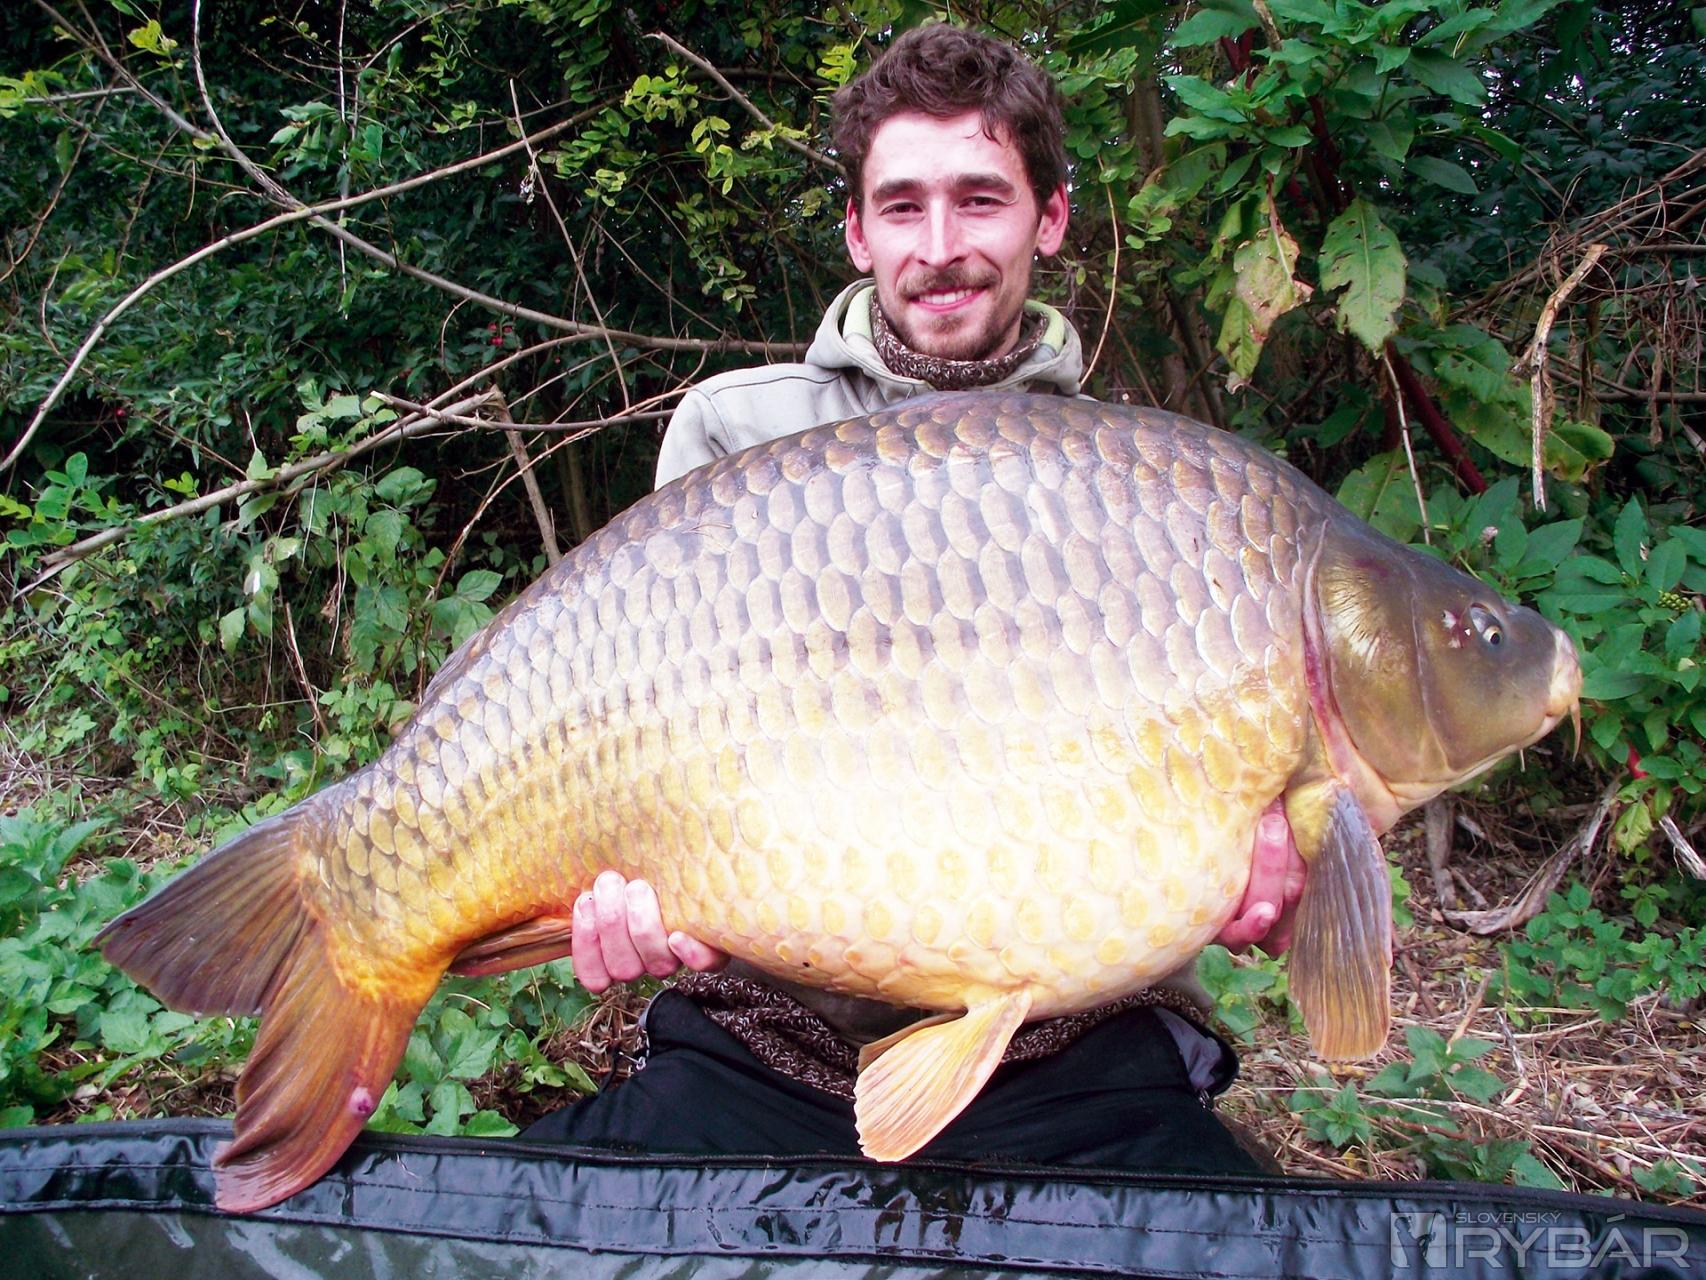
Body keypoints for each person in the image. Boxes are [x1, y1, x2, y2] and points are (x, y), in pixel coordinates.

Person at [523, 24, 1305, 1175]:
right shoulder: (737, 434)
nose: (940, 248)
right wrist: (623, 889)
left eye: (979, 200)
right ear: (856, 230)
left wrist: (1268, 876)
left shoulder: (1155, 490)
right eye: (901, 206)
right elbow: (652, 746)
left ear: (1048, 216)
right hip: (767, 1032)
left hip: (1073, 1044)